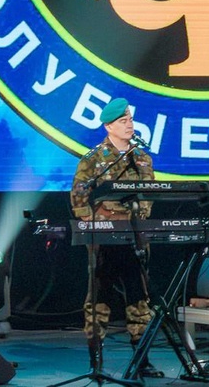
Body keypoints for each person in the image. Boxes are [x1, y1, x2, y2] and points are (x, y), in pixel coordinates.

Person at [68, 97, 157, 377]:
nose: (129, 125)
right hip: (104, 236)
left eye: (130, 120)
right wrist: (97, 225)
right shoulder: (94, 159)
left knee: (139, 297)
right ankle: (96, 358)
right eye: (123, 121)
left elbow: (149, 194)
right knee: (98, 297)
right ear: (108, 126)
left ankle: (142, 359)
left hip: (134, 234)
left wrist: (138, 220)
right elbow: (79, 198)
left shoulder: (141, 157)